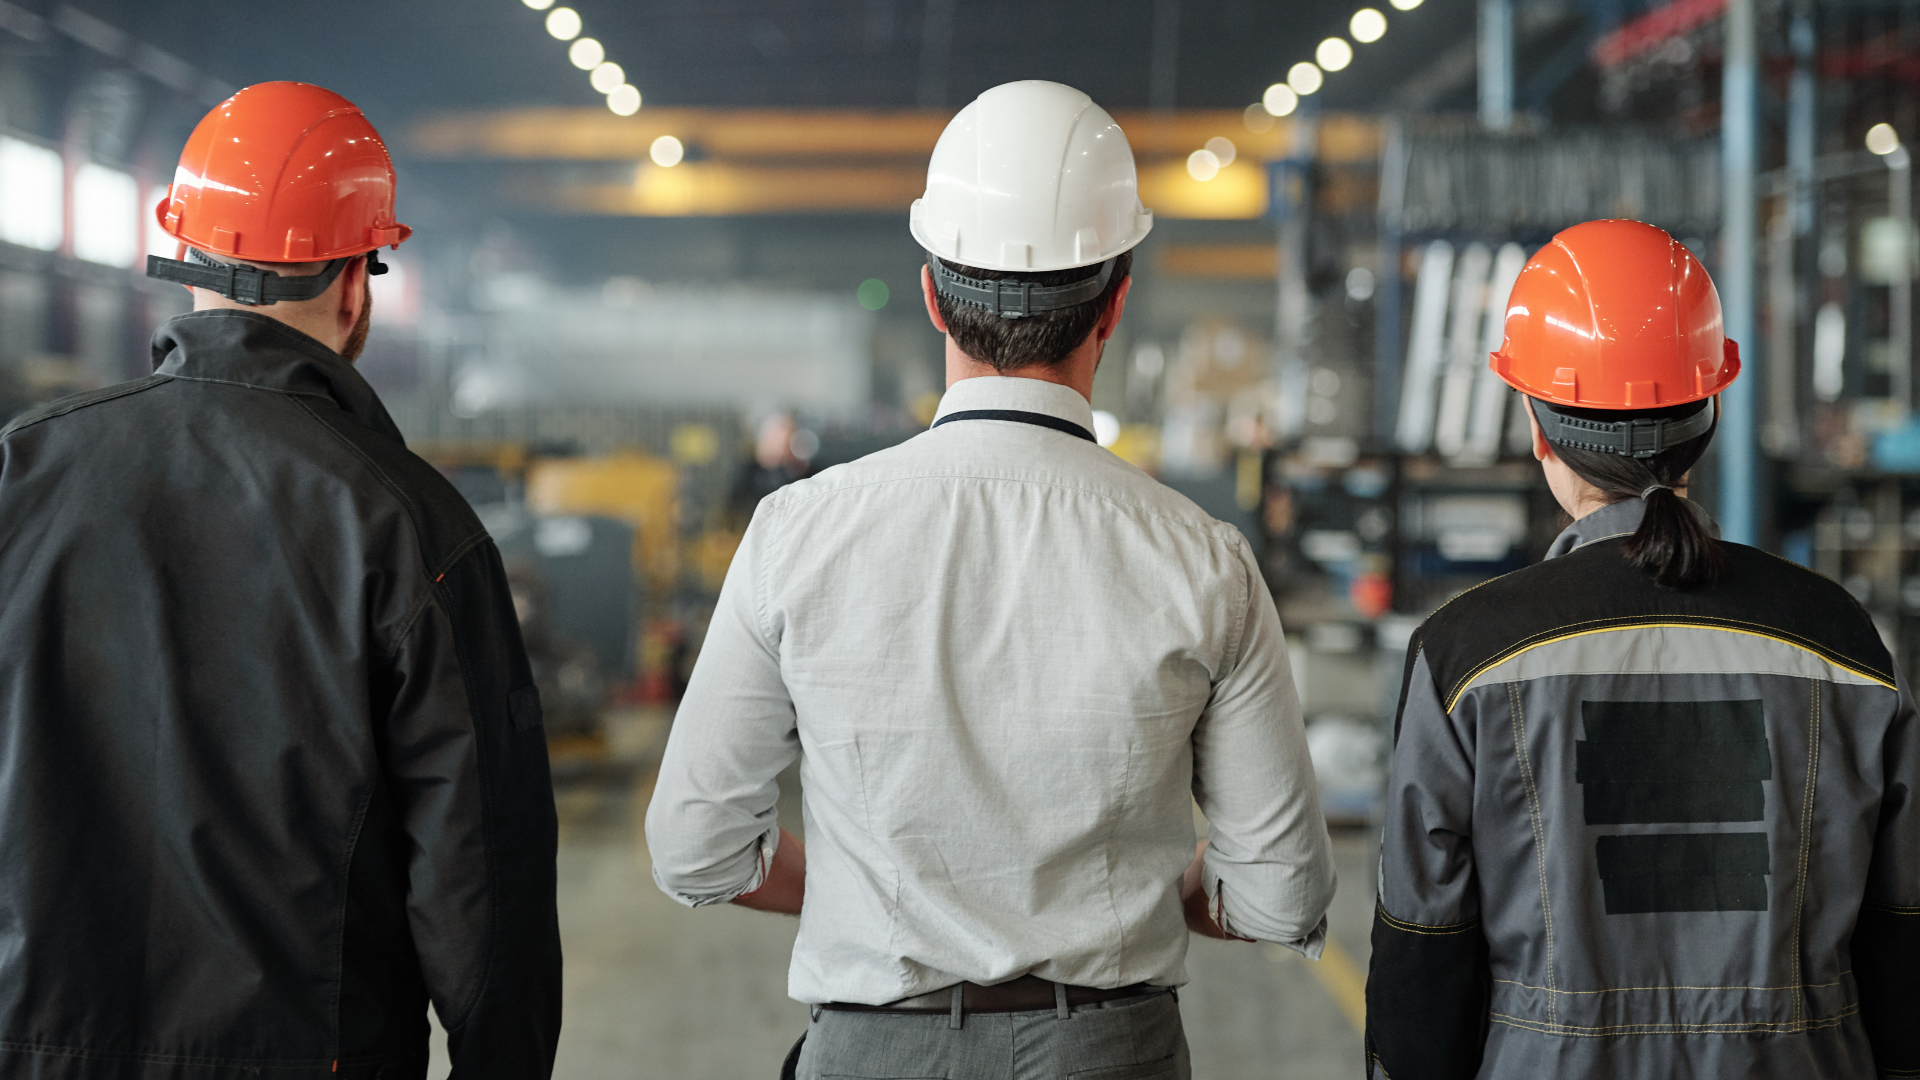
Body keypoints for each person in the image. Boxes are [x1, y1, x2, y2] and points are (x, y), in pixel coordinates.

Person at [646, 79, 1336, 1080]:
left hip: (871, 1049)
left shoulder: (800, 532)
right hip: (1110, 1051)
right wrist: (1130, 896)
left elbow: (695, 847)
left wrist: (869, 891)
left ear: (931, 292)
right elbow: (1279, 893)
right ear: (1118, 300)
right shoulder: (1203, 559)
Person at [0, 82, 562, 1077]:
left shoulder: (21, 474)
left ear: (187, 266)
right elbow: (482, 871)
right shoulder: (411, 522)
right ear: (356, 287)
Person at [1364, 219, 1920, 1080]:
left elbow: (1422, 954)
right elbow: (1903, 934)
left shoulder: (1466, 656)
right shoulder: (1841, 640)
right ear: (1708, 413)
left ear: (1538, 426)